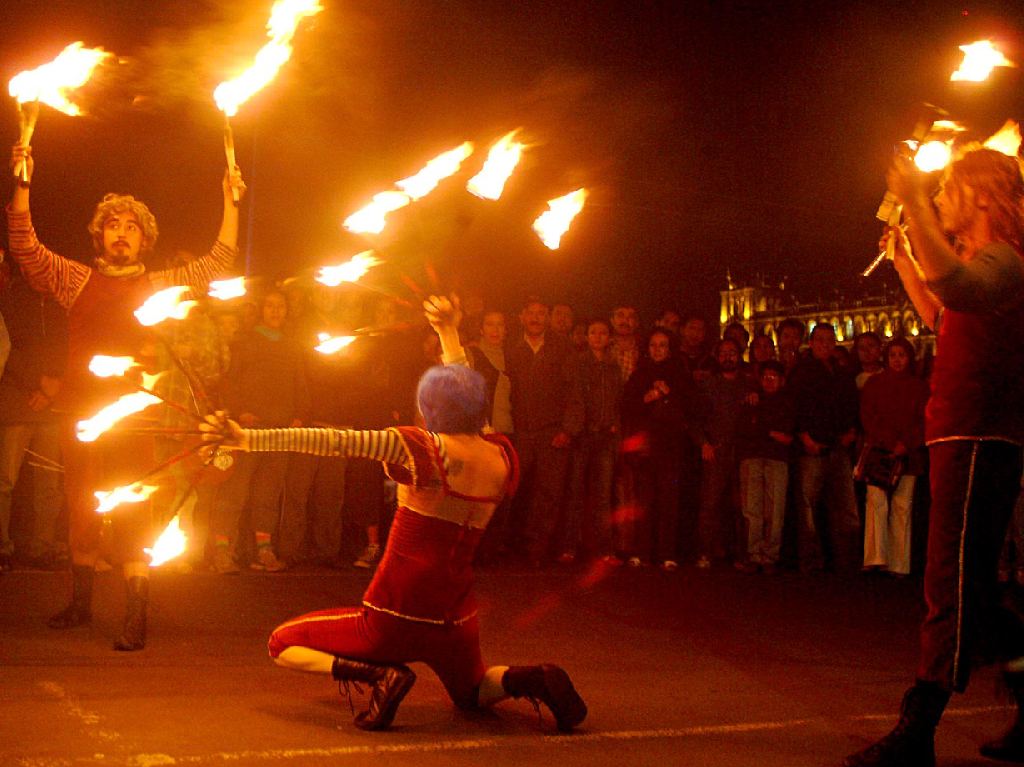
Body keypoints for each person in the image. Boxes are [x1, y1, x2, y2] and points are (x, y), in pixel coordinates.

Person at [200, 295, 587, 733]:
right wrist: (447, 331)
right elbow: (465, 386)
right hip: (456, 619)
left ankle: (378, 674)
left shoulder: (419, 448)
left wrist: (247, 439)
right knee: (473, 692)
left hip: (393, 618)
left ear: (429, 408)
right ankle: (531, 679)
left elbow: (332, 442)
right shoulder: (500, 454)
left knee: (282, 643)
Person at [7, 142, 243, 650]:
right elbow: (26, 249)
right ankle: (81, 601)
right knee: (83, 506)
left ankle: (137, 609)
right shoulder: (76, 280)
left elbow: (216, 264)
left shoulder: (159, 287)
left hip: (136, 416)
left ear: (144, 240)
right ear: (100, 234)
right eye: (113, 224)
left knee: (135, 508)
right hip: (83, 412)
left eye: (131, 227)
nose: (121, 233)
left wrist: (231, 203)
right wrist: (22, 185)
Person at [843, 147, 1024, 765]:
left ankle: (918, 727)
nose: (940, 196)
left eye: (947, 189)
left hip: (980, 439)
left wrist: (914, 200)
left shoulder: (1006, 261)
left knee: (950, 584)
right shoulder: (982, 263)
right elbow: (942, 310)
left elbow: (957, 286)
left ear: (978, 196)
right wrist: (904, 257)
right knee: (969, 587)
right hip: (959, 437)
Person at [858, 337, 927, 578]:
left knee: (902, 506)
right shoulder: (874, 384)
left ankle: (899, 562)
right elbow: (868, 416)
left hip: (907, 454)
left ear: (909, 358)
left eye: (902, 355)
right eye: (893, 355)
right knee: (875, 503)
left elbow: (923, 420)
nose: (897, 360)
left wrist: (906, 443)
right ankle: (876, 557)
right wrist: (890, 442)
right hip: (880, 452)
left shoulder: (919, 387)